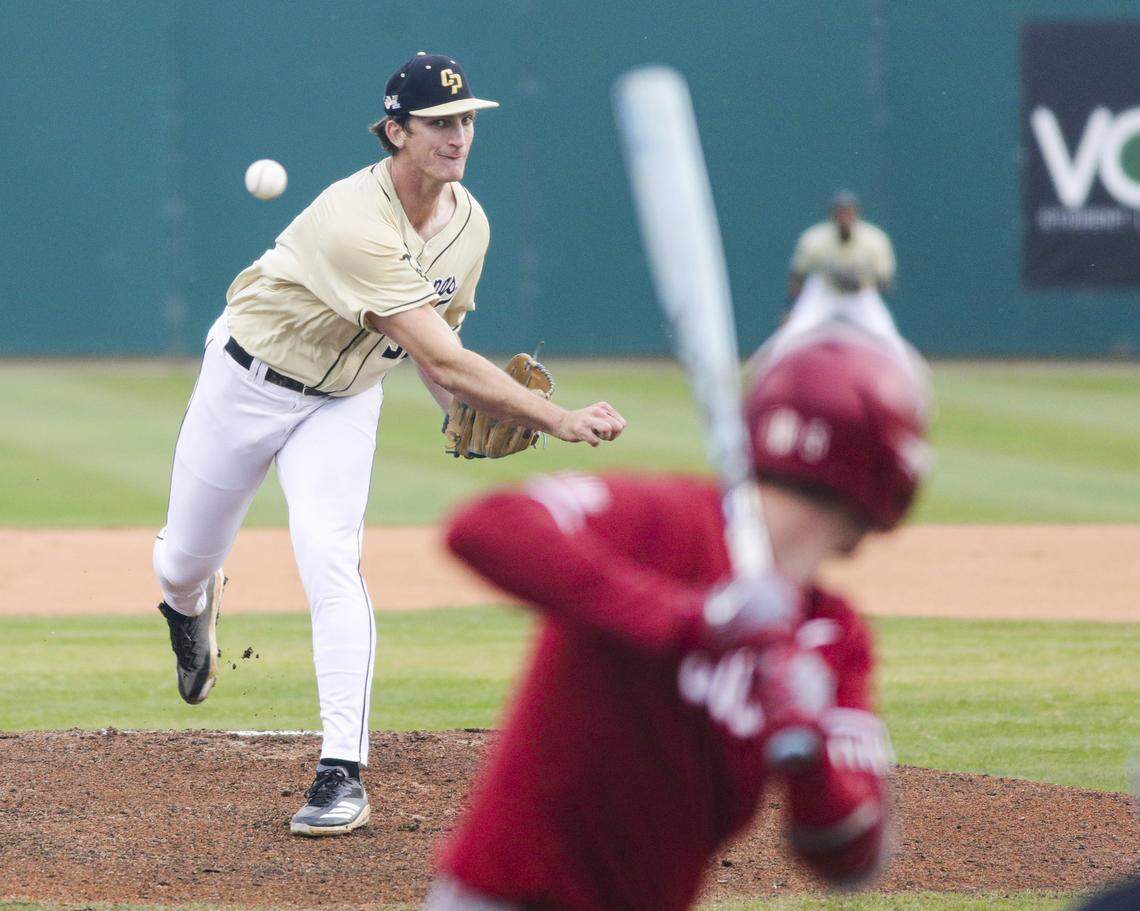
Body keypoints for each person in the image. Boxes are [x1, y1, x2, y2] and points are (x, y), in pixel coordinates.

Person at [152, 51, 626, 838]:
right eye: (440, 122)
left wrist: (456, 412)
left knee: (330, 556)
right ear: (396, 131)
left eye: (468, 118)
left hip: (344, 399)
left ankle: (340, 771)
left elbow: (446, 350)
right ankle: (187, 606)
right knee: (183, 559)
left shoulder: (470, 224)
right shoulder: (353, 219)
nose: (459, 133)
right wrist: (558, 417)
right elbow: (441, 357)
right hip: (247, 380)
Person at [422, 327, 931, 911]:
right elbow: (487, 527)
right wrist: (698, 621)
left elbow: (854, 857)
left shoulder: (829, 636)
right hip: (510, 896)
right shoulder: (667, 522)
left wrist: (808, 745)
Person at [771, 192, 907, 368]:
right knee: (793, 332)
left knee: (886, 336)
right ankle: (769, 375)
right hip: (824, 291)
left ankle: (909, 382)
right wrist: (790, 308)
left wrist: (864, 282)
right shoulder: (815, 238)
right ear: (832, 215)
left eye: (848, 212)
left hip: (861, 293)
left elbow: (886, 281)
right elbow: (798, 276)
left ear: (856, 214)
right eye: (840, 212)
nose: (844, 217)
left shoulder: (874, 240)